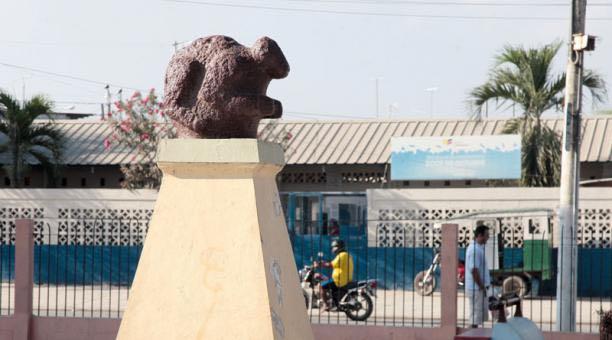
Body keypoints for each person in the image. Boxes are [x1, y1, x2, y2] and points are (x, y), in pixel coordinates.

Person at [315, 239, 354, 311]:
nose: (333, 249)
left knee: (321, 286)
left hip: (340, 280)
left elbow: (331, 264)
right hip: (343, 278)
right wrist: (324, 263)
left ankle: (326, 305)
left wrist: (321, 264)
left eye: (334, 247)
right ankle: (333, 302)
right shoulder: (345, 255)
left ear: (338, 247)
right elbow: (334, 263)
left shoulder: (342, 255)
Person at [465, 224, 491, 328]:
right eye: (486, 235)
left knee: (477, 317)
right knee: (474, 319)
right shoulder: (474, 250)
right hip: (476, 288)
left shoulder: (478, 248)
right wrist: (481, 286)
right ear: (480, 235)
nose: (488, 238)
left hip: (479, 288)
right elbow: (474, 270)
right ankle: (471, 335)